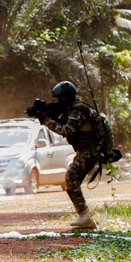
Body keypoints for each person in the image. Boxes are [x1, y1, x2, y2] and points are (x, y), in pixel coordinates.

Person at [30, 80, 99, 230]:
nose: (59, 101)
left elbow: (67, 131)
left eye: (60, 98)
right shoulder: (74, 109)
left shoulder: (78, 111)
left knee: (71, 179)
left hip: (89, 150)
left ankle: (85, 217)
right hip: (86, 150)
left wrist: (46, 120)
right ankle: (85, 217)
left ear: (67, 97)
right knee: (72, 181)